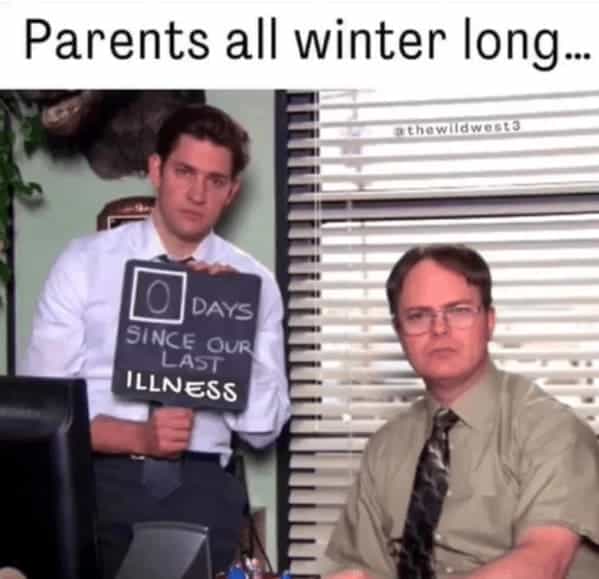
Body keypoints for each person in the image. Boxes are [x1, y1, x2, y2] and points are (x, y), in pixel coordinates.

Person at [20, 104, 291, 578]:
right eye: (184, 172)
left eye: (215, 180)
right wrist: (138, 436)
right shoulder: (84, 263)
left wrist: (227, 329)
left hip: (201, 486)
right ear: (156, 170)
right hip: (95, 479)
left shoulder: (255, 284)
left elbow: (264, 428)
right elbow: (43, 415)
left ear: (231, 192)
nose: (197, 193)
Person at [323, 244, 599, 579]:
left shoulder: (551, 430)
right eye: (418, 316)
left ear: (489, 321)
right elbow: (356, 569)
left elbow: (541, 564)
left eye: (458, 311)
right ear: (399, 331)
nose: (439, 329)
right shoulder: (385, 447)